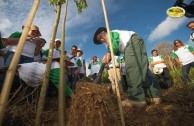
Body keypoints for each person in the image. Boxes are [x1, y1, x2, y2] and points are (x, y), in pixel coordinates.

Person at [93, 27, 161, 108]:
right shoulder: (108, 42)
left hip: (131, 43)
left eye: (101, 36)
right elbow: (116, 50)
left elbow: (114, 42)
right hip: (136, 41)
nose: (102, 39)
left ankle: (136, 99)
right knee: (141, 69)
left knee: (132, 69)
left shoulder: (111, 33)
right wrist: (109, 54)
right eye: (99, 40)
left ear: (104, 32)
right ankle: (153, 96)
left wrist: (109, 53)